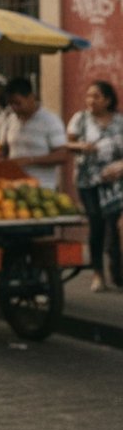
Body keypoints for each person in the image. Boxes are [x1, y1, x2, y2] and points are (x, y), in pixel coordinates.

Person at [66, 80, 123, 291]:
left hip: (116, 182)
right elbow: (66, 143)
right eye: (89, 96)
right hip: (88, 181)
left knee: (115, 224)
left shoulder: (119, 121)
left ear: (108, 100)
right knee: (97, 225)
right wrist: (80, 145)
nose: (90, 100)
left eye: (96, 96)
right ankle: (98, 274)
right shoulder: (80, 120)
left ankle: (117, 270)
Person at [0, 76, 68, 190]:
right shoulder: (10, 120)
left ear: (31, 97)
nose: (14, 108)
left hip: (43, 187)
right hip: (13, 186)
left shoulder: (50, 120)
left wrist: (30, 160)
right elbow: (3, 150)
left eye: (17, 103)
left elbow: (62, 156)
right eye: (11, 104)